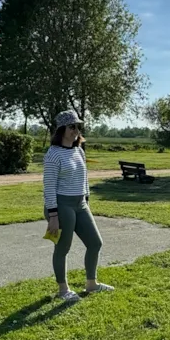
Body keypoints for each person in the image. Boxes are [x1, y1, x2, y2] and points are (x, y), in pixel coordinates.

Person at [42, 110, 113, 304]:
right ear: (62, 129)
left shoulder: (79, 150)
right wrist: (53, 215)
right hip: (61, 205)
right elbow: (49, 187)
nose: (76, 130)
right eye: (72, 126)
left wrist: (87, 200)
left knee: (95, 243)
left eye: (77, 126)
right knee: (63, 247)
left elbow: (85, 178)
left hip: (80, 203)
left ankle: (91, 284)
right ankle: (63, 289)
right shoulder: (53, 154)